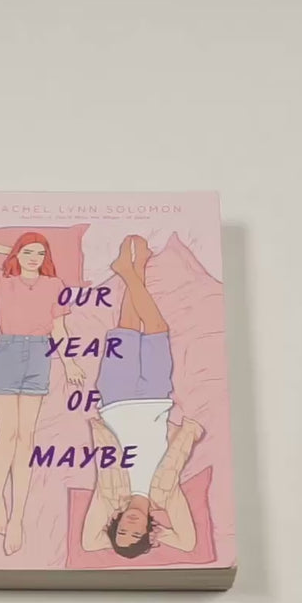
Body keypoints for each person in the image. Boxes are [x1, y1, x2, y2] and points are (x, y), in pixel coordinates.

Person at [81, 235, 205, 558]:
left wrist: (122, 539)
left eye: (122, 531)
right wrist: (159, 536)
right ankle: (133, 268)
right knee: (156, 329)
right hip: (156, 399)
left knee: (127, 327)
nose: (131, 526)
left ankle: (133, 267)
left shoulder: (109, 497)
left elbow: (88, 543)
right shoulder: (166, 496)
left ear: (115, 524)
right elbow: (188, 542)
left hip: (115, 401)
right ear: (146, 531)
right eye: (136, 533)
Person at [0, 232, 85, 555]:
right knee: (7, 431)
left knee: (27, 436)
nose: (34, 258)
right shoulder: (2, 280)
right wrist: (11, 250)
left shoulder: (55, 285)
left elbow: (59, 329)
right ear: (17, 254)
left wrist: (70, 363)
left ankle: (17, 517)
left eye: (40, 253)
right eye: (27, 252)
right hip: (6, 353)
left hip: (39, 355)